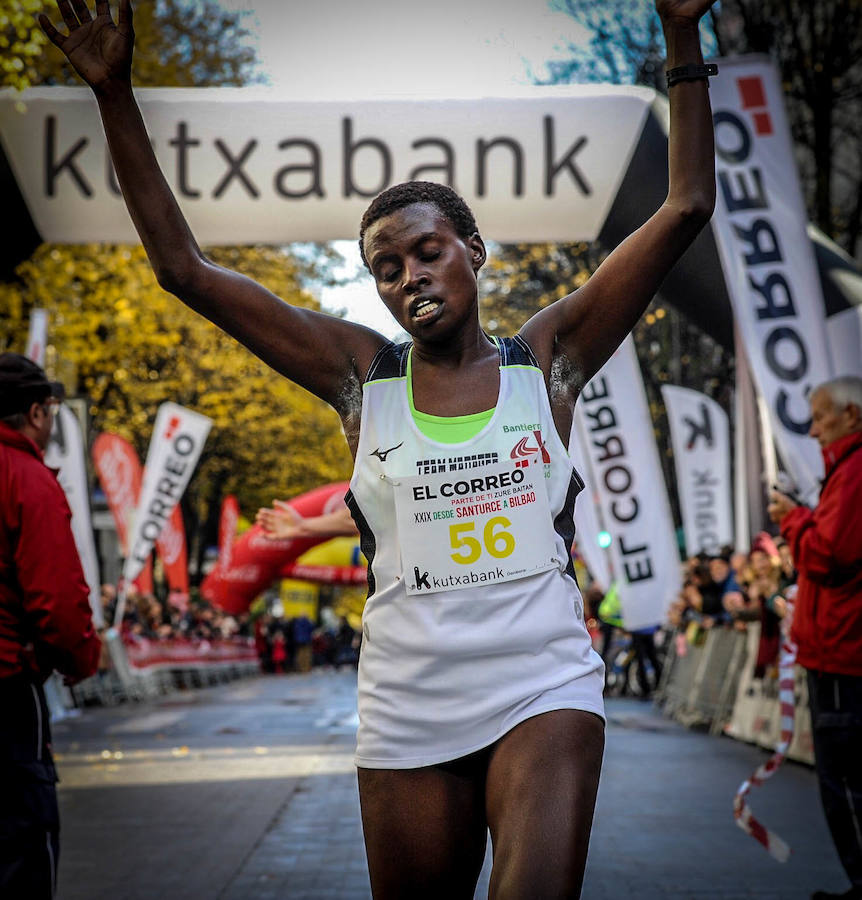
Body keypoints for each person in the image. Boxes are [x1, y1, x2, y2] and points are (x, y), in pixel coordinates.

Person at [40, 0, 716, 893]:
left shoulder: (549, 360)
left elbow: (685, 205)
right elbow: (183, 270)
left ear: (473, 250)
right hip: (408, 700)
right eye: (385, 271)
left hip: (541, 682)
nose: (409, 279)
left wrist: (679, 35)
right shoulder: (361, 377)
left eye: (427, 253)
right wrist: (114, 94)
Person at [0, 353, 101, 898]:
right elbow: (55, 600)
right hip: (8, 687)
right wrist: (83, 657)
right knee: (20, 842)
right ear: (36, 412)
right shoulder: (27, 478)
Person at [768, 376, 862, 900]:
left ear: (853, 415)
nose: (814, 428)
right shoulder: (843, 473)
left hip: (841, 651)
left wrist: (794, 520)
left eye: (823, 415)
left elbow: (828, 556)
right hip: (837, 647)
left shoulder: (852, 474)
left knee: (844, 780)